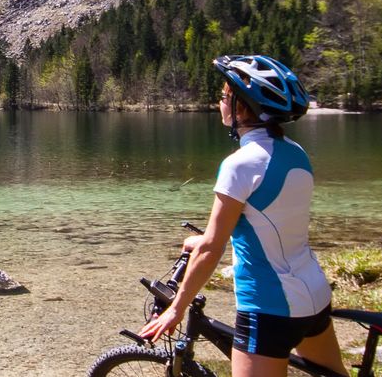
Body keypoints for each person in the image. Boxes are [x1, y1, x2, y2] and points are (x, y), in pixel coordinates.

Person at [137, 54, 349, 377]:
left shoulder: (240, 165)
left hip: (268, 308)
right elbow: (267, 221)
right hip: (313, 296)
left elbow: (212, 248)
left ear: (240, 108)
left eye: (224, 96)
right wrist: (198, 240)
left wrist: (176, 309)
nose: (219, 102)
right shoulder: (297, 154)